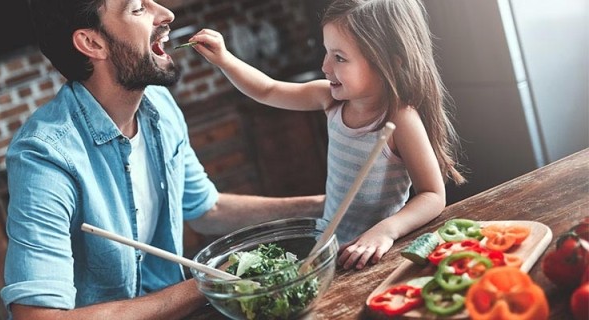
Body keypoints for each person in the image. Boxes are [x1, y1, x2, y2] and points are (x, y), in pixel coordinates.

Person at [1, 0, 325, 319]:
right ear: (92, 42)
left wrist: (326, 205)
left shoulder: (158, 104)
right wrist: (208, 283)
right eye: (138, 8)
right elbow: (37, 316)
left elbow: (207, 210)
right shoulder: (45, 156)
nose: (166, 14)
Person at [190, 0, 466, 271]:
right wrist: (225, 60)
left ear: (388, 64)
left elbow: (432, 195)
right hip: (330, 246)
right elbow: (268, 90)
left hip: (376, 254)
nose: (325, 66)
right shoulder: (330, 99)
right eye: (326, 52)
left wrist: (385, 232)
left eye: (340, 57)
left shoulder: (399, 118)